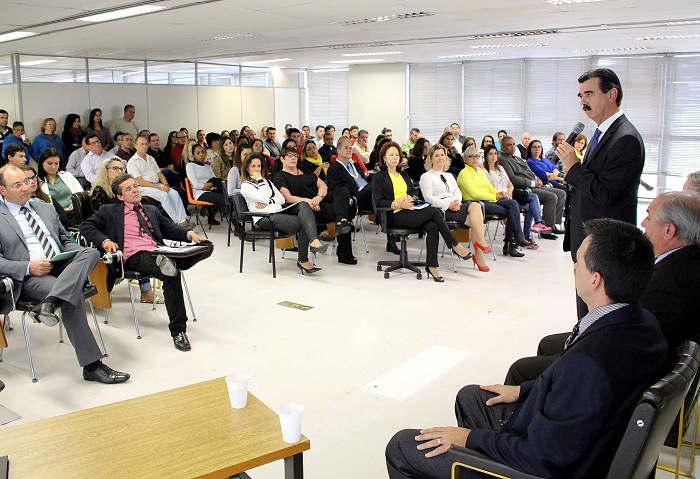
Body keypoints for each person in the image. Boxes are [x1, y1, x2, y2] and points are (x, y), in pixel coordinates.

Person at [386, 218, 667, 479]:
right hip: (575, 438)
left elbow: (541, 457)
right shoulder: (641, 322)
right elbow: (576, 395)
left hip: (543, 465)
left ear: (595, 279)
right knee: (472, 396)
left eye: (578, 261)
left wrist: (468, 439)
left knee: (402, 447)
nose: (573, 266)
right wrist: (523, 391)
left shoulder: (588, 363)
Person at [504, 190, 700, 386]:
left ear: (669, 230)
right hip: (625, 346)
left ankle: (533, 396)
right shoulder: (684, 260)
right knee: (548, 343)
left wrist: (582, 340)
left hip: (619, 369)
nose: (642, 223)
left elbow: (625, 343)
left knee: (520, 370)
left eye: (648, 217)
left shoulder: (670, 284)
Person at [0, 165, 130, 384]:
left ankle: (50, 303)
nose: (26, 188)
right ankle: (92, 366)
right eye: (17, 185)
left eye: (27, 182)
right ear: (2, 190)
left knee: (89, 252)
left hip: (62, 265)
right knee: (72, 294)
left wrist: (75, 257)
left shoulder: (44, 207)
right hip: (32, 277)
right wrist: (28, 267)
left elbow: (65, 241)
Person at [80, 173, 213, 351]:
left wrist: (190, 235)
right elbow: (85, 226)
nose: (135, 190)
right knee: (170, 273)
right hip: (134, 256)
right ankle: (178, 331)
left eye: (135, 186)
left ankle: (174, 261)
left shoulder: (151, 210)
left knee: (206, 246)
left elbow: (169, 227)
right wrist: (105, 241)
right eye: (128, 189)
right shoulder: (109, 211)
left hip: (159, 251)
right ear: (120, 196)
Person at [557, 68, 645, 319]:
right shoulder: (603, 133)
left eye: (589, 94)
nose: (583, 102)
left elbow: (606, 193)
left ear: (612, 94)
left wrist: (574, 167)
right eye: (580, 95)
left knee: (600, 314)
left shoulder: (625, 138)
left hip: (605, 245)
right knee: (586, 312)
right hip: (588, 239)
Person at [372, 141, 473, 282]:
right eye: (391, 155)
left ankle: (432, 266)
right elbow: (378, 202)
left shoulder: (403, 174)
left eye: (397, 155)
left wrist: (408, 198)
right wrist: (398, 203)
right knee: (434, 211)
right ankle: (454, 244)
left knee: (432, 225)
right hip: (393, 215)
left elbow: (414, 193)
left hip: (410, 211)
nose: (395, 157)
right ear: (384, 157)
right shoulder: (379, 177)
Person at [240, 153, 328, 274]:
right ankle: (304, 258)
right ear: (247, 168)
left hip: (276, 212)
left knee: (303, 205)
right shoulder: (246, 186)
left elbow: (281, 199)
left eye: (259, 166)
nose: (256, 169)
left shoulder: (267, 182)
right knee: (304, 222)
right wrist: (260, 181)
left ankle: (313, 242)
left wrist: (268, 202)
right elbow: (264, 198)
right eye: (253, 166)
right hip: (263, 218)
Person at [273, 146, 357, 265]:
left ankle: (341, 221)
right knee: (344, 211)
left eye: (295, 155)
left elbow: (323, 185)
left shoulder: (305, 171)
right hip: (304, 208)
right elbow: (288, 198)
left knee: (343, 191)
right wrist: (310, 201)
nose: (293, 158)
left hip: (318, 200)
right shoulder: (280, 176)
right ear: (282, 159)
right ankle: (344, 251)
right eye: (289, 156)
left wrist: (319, 197)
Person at [420, 144, 491, 271]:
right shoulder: (426, 176)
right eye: (437, 155)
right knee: (475, 222)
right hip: (441, 210)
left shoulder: (449, 176)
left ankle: (480, 246)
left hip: (456, 205)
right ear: (431, 159)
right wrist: (448, 205)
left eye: (442, 155)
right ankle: (480, 251)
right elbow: (429, 199)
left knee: (475, 206)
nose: (440, 158)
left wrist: (456, 203)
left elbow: (458, 192)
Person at [458, 145, 527, 257]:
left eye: (477, 156)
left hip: (489, 199)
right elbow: (475, 194)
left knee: (513, 203)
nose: (475, 158)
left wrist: (500, 193)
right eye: (471, 156)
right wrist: (495, 196)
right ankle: (511, 242)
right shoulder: (464, 173)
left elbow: (489, 187)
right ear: (465, 159)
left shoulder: (480, 171)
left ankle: (518, 236)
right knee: (510, 211)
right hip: (477, 203)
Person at [483, 144, 551, 248]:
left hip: (508, 195)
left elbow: (509, 183)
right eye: (490, 154)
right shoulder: (484, 171)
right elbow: (489, 188)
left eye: (495, 154)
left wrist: (509, 191)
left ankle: (534, 227)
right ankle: (517, 238)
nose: (493, 156)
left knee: (531, 201)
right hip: (498, 198)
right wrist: (503, 194)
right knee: (513, 208)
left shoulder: (500, 168)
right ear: (486, 156)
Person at [499, 136, 566, 238]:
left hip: (535, 184)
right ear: (502, 147)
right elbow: (512, 179)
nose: (512, 147)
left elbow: (530, 172)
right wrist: (533, 183)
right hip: (524, 188)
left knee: (562, 193)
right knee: (551, 197)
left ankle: (554, 224)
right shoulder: (503, 159)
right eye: (509, 145)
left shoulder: (516, 158)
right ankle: (546, 230)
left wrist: (537, 179)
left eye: (513, 144)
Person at [128, 136, 188, 226]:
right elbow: (140, 181)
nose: (144, 146)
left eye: (145, 144)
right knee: (163, 195)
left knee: (174, 193)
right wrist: (160, 188)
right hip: (143, 187)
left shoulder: (151, 158)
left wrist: (166, 185)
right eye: (141, 144)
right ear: (135, 146)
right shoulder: (132, 162)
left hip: (156, 184)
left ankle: (183, 219)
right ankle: (176, 222)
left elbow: (159, 174)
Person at [326, 136, 372, 211]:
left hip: (368, 190)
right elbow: (338, 190)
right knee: (375, 188)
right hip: (356, 196)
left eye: (350, 148)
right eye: (346, 148)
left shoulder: (355, 165)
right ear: (338, 151)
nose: (349, 150)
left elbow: (364, 178)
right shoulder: (334, 168)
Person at [185, 143, 226, 225]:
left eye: (202, 152)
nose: (201, 155)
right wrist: (208, 185)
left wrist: (209, 185)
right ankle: (237, 226)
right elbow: (196, 185)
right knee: (224, 199)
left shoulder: (208, 167)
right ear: (193, 155)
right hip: (200, 193)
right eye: (198, 153)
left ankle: (212, 216)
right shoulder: (190, 166)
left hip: (211, 189)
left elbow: (215, 180)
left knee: (228, 194)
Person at [37, 148, 83, 212]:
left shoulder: (67, 175)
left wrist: (74, 204)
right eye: (49, 163)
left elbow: (81, 194)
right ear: (42, 163)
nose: (53, 167)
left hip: (74, 211)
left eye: (56, 163)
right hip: (54, 214)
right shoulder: (37, 181)